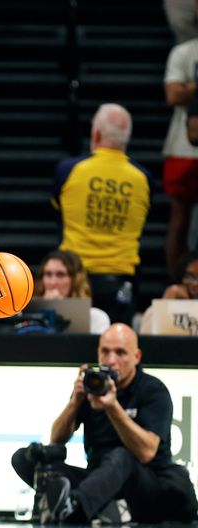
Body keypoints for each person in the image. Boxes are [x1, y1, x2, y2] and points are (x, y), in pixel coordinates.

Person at [10, 324, 198, 525]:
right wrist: (76, 401)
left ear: (137, 356)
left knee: (120, 455)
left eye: (120, 353)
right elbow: (56, 440)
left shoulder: (153, 390)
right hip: (98, 482)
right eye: (105, 352)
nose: (111, 360)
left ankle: (74, 510)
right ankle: (108, 510)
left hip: (145, 484)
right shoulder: (93, 386)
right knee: (25, 457)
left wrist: (112, 407)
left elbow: (146, 452)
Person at [53, 103, 151, 325]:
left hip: (74, 278)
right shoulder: (143, 178)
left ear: (95, 134)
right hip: (121, 279)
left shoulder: (68, 169)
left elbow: (57, 208)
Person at [163, 36, 198, 279]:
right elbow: (173, 94)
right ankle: (176, 283)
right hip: (182, 149)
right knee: (179, 219)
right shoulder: (185, 52)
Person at [34, 250, 111, 335]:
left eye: (60, 274)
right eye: (48, 274)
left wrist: (60, 308)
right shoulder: (27, 316)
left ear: (76, 280)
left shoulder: (96, 318)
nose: (53, 282)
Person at [139, 250, 198, 333]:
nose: (195, 283)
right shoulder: (174, 301)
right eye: (190, 276)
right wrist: (166, 302)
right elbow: (149, 336)